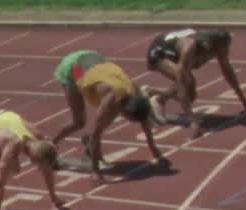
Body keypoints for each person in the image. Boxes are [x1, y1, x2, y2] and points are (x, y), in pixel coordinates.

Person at [48, 53, 168, 182]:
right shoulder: (108, 99)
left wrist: (153, 148)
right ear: (126, 113)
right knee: (78, 123)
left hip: (91, 58)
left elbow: (143, 119)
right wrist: (95, 171)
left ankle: (89, 146)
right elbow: (96, 134)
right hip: (73, 68)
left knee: (111, 114)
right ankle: (51, 145)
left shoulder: (134, 91)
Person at [145, 27, 246, 124]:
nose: (223, 51)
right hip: (160, 51)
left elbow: (227, 71)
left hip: (176, 49)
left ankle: (154, 93)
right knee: (187, 82)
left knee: (191, 97)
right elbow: (181, 80)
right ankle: (159, 100)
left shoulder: (220, 45)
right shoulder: (189, 49)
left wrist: (242, 98)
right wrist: (192, 120)